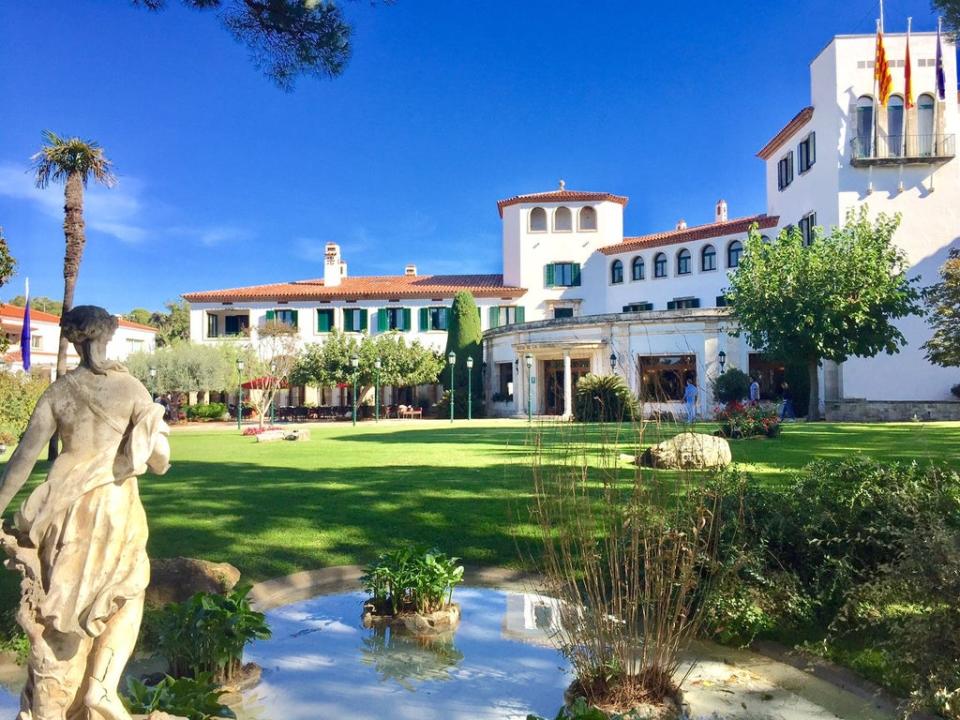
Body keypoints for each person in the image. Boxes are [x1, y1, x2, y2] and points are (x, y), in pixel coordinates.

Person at [0, 306, 170, 720]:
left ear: (74, 340)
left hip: (61, 507)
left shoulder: (58, 392)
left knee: (64, 605)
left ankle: (58, 701)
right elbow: (160, 460)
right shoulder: (131, 389)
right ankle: (101, 688)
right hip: (113, 502)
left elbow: (23, 458)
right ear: (107, 336)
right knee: (128, 590)